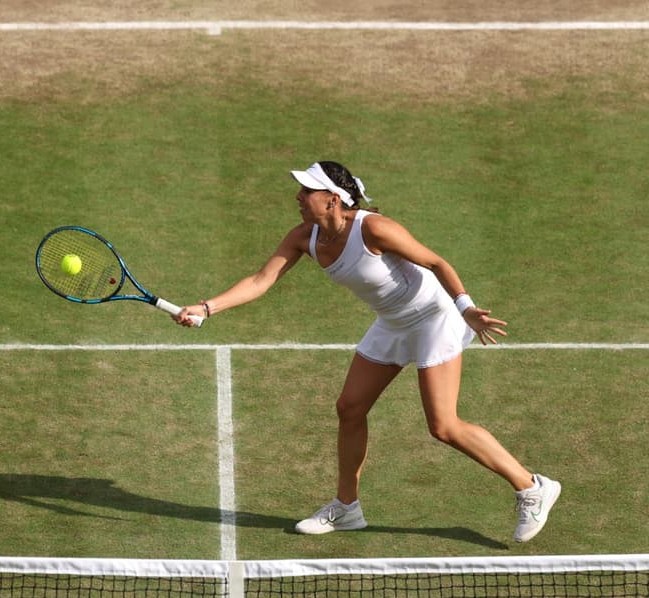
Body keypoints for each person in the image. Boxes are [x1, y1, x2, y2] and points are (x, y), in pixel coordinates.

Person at [176, 161, 560, 542]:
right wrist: (206, 308)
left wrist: (465, 308)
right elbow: (261, 280)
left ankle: (531, 486)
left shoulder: (374, 228)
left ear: (332, 199)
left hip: (434, 317)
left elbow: (435, 262)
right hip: (392, 322)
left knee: (443, 425)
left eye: (307, 191)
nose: (298, 196)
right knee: (350, 408)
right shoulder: (303, 237)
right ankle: (346, 508)